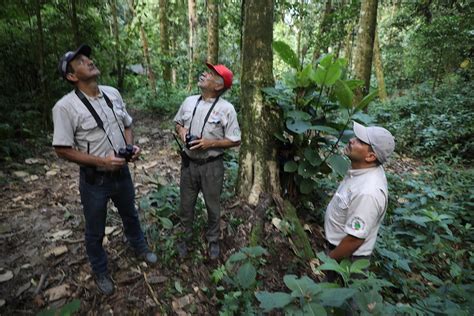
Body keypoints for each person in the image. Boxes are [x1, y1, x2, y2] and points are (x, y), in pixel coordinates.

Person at [52, 44, 157, 295]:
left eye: (88, 57)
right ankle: (100, 270)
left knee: (130, 213)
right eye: (80, 61)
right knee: (95, 228)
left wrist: (129, 148)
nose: (89, 61)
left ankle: (139, 247)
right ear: (71, 76)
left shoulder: (112, 93)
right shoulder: (65, 107)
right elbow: (62, 149)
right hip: (94, 180)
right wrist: (102, 162)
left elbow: (127, 124)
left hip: (121, 172)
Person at [173, 62, 241, 260]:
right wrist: (182, 131)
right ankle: (185, 238)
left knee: (212, 205)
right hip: (188, 164)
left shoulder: (227, 109)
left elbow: (235, 140)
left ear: (219, 86)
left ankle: (213, 240)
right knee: (186, 204)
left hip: (212, 166)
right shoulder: (189, 101)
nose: (204, 74)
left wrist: (210, 143)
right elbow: (177, 123)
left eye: (211, 74)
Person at [324, 121, 395, 275]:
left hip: (347, 258)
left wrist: (328, 262)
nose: (351, 140)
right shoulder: (363, 168)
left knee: (337, 296)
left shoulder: (368, 193)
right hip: (341, 251)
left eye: (360, 141)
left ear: (370, 156)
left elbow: (354, 240)